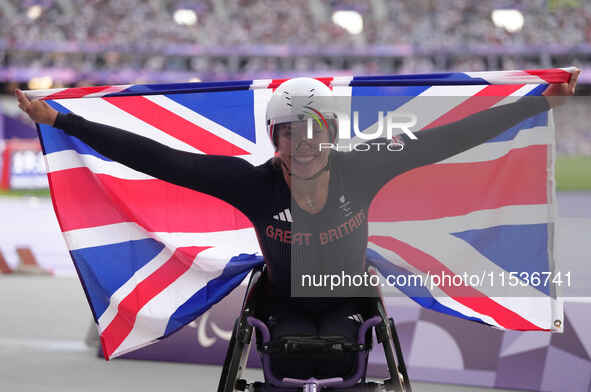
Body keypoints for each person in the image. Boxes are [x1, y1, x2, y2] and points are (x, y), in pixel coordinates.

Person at [16, 70, 579, 380]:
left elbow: (444, 141)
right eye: (291, 132)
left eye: (315, 132)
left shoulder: (368, 165)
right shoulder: (249, 182)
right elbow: (160, 160)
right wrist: (61, 117)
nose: (306, 144)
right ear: (275, 140)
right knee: (286, 354)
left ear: (330, 134)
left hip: (347, 299)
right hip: (279, 301)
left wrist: (534, 104)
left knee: (339, 349)